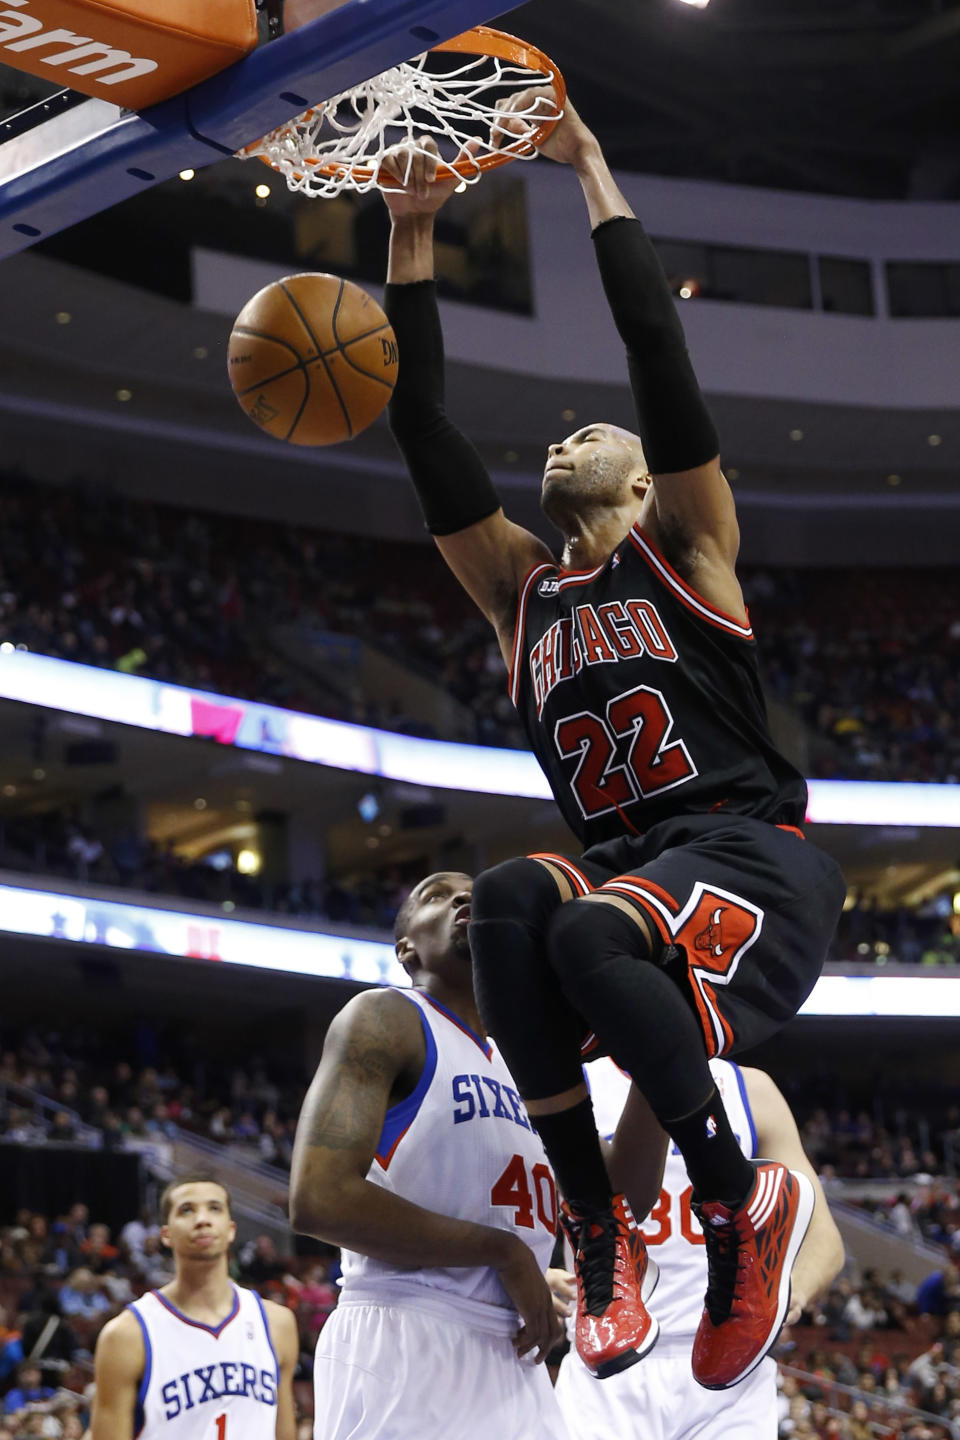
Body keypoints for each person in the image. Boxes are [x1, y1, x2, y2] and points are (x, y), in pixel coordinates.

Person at [380, 87, 846, 1388]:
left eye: (594, 436)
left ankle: (733, 1193)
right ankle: (600, 1232)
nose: (562, 436)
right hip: (639, 875)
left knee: (584, 922)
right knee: (515, 902)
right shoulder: (517, 592)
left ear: (644, 485)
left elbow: (658, 356)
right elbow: (422, 429)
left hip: (757, 861)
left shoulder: (689, 544)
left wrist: (587, 164)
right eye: (558, 433)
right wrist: (413, 232)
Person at [289, 870, 568, 1440]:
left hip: (514, 1349)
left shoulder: (529, 1065)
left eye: (476, 894)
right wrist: (506, 1253)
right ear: (406, 948)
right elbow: (319, 1199)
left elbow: (615, 1191)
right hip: (409, 1328)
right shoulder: (386, 1018)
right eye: (437, 895)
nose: (465, 898)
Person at [553, 1057, 845, 1438]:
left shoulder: (750, 1090)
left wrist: (794, 1291)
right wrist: (534, 1269)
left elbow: (825, 1239)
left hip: (732, 1364)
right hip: (609, 1360)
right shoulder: (580, 1082)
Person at [91, 1177, 298, 1440]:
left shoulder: (276, 1323)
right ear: (165, 1234)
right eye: (187, 1210)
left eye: (215, 1208)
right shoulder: (126, 1335)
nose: (202, 1219)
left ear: (231, 1229)